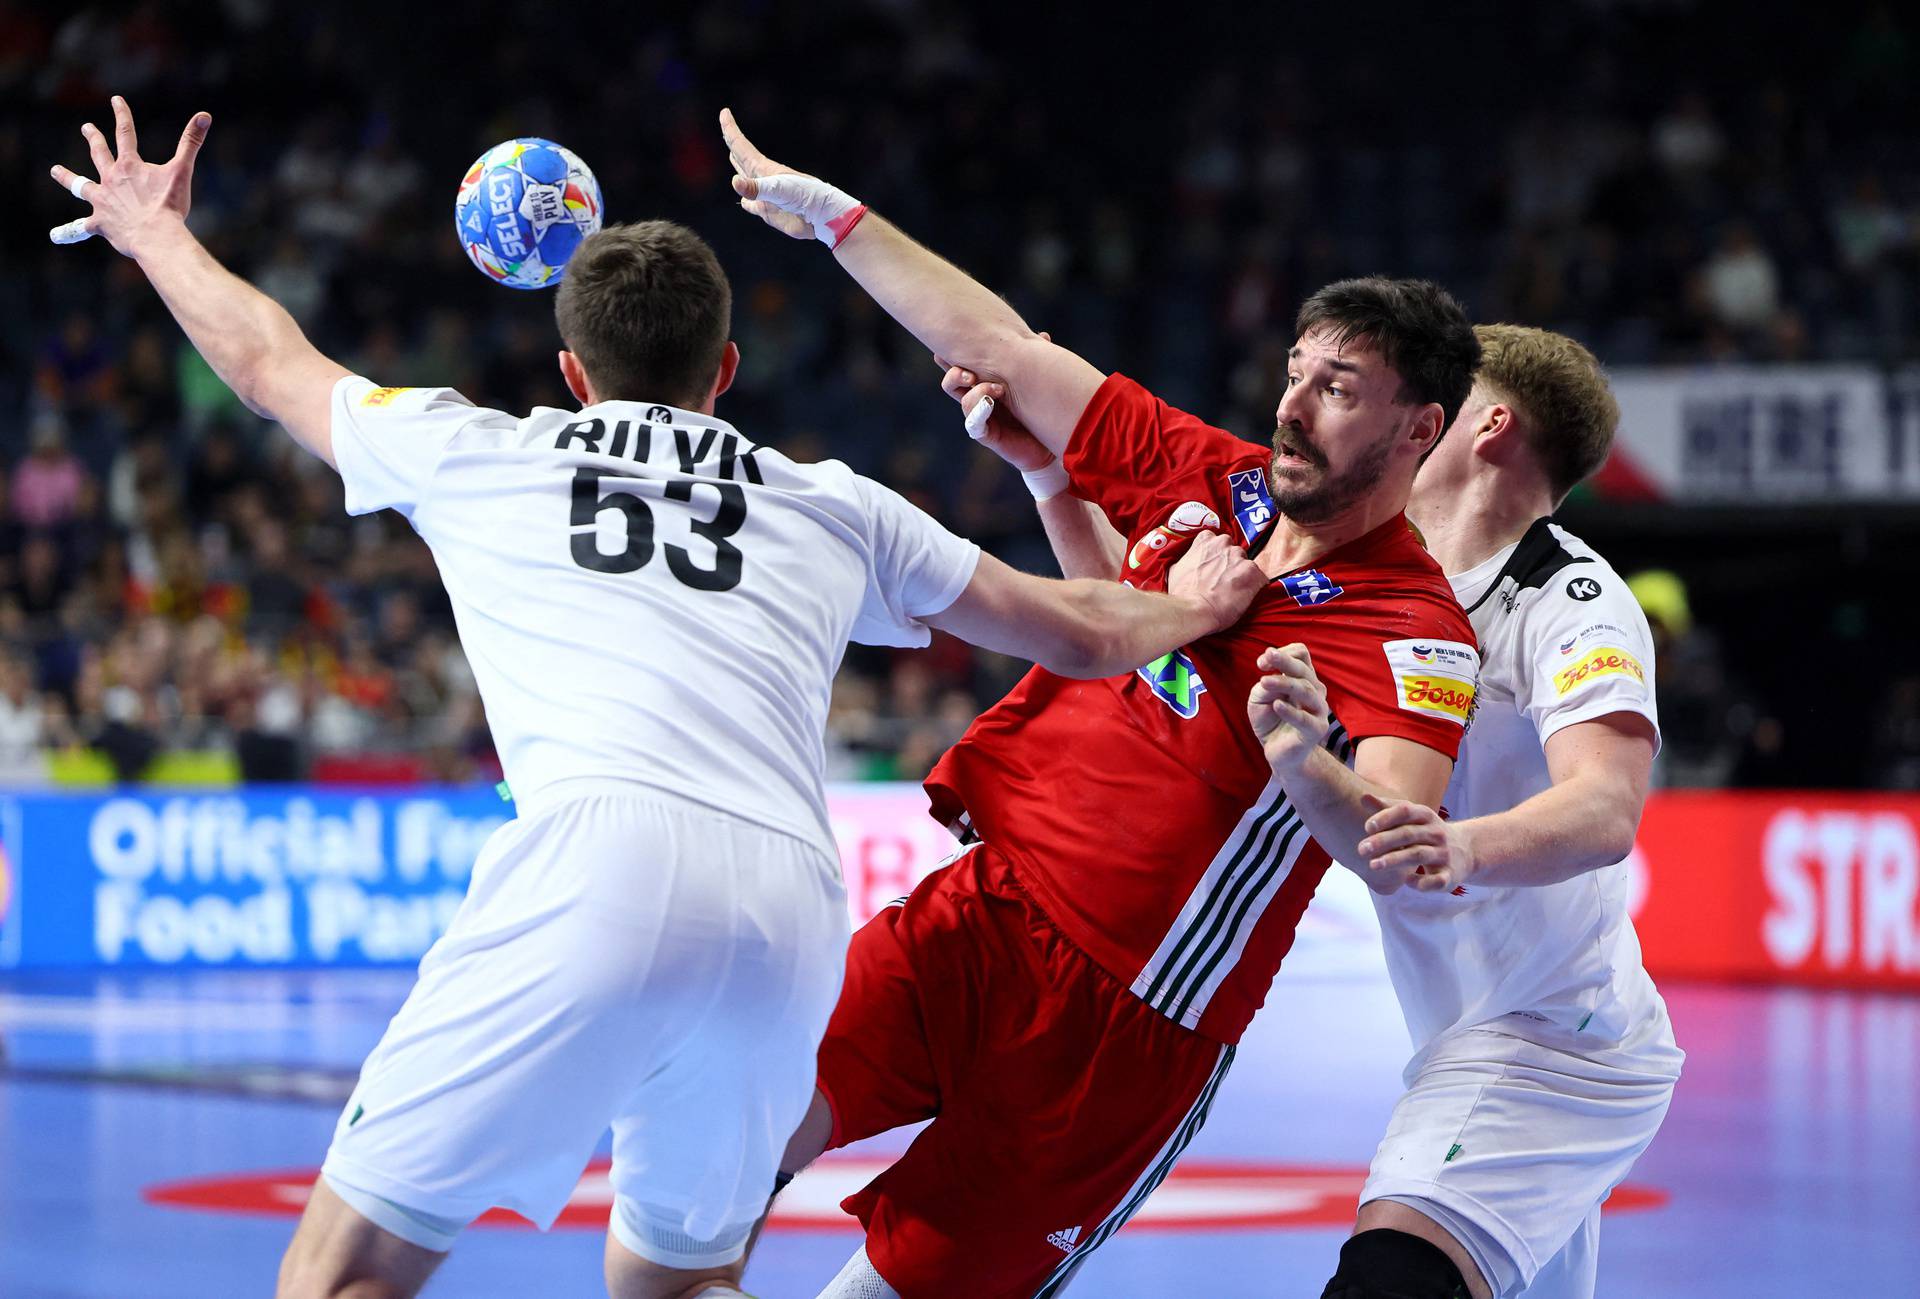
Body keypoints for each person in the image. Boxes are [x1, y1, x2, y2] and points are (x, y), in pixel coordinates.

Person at [47, 98, 1266, 1299]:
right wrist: (1198, 607)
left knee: (347, 1271)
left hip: (595, 867)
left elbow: (268, 365)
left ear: (571, 372)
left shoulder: (480, 452)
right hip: (789, 906)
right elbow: (1073, 628)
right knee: (674, 1284)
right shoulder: (832, 500)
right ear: (726, 370)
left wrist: (154, 231)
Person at [721, 112, 1484, 1298]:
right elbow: (1007, 347)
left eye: (1339, 389)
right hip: (977, 914)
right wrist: (835, 220)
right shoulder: (1206, 478)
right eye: (1296, 369)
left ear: (1418, 429)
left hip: (1118, 1035)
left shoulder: (1412, 628)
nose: (1293, 404)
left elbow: (1393, 840)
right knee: (727, 1142)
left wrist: (1302, 760)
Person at [1250, 325, 1683, 1299]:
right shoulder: (1368, 570)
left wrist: (1457, 843)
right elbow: (1154, 611)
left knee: (1390, 1275)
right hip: (1457, 1029)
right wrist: (1048, 483)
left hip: (1556, 1039)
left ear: (1487, 426)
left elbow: (1607, 805)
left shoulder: (1569, 598)